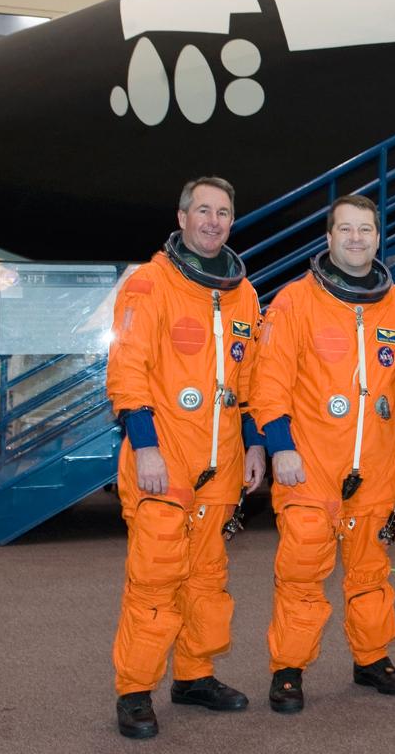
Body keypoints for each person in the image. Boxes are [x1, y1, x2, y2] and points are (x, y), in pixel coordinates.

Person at [250, 195, 395, 713]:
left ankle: (371, 658)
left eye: (366, 230)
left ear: (378, 238)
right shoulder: (295, 301)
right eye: (346, 230)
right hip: (309, 464)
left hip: (376, 467)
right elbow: (269, 386)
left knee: (371, 572)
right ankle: (288, 670)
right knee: (303, 571)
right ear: (328, 238)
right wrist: (280, 448)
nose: (357, 239)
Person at [106, 177, 266, 739]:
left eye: (223, 212)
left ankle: (194, 675)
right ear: (181, 217)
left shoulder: (242, 294)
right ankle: (135, 690)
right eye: (204, 210)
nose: (214, 221)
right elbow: (127, 371)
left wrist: (253, 444)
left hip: (219, 462)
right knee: (154, 578)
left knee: (206, 578)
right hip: (163, 456)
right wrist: (144, 444)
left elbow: (247, 382)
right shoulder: (149, 284)